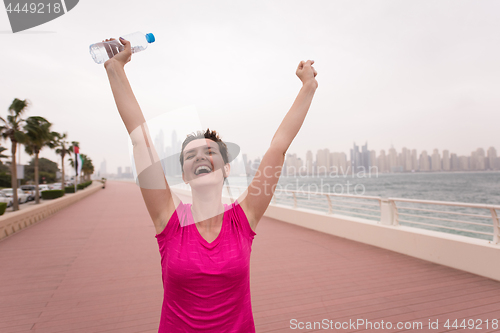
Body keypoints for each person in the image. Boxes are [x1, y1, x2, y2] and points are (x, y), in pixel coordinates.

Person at [103, 36, 317, 332]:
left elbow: (278, 148)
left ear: (226, 168)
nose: (200, 157)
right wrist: (116, 67)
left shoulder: (243, 219)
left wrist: (308, 87)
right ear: (185, 173)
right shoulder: (169, 219)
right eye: (190, 155)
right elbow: (140, 139)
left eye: (209, 152)